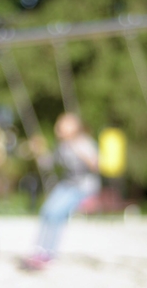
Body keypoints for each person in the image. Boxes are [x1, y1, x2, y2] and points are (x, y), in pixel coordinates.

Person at [21, 113, 100, 270]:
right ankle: (38, 250)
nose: (58, 128)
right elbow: (49, 164)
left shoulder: (84, 143)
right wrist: (40, 151)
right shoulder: (62, 146)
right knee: (46, 212)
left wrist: (81, 153)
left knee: (56, 213)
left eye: (62, 124)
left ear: (74, 127)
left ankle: (49, 253)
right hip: (67, 185)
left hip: (83, 187)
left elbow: (96, 166)